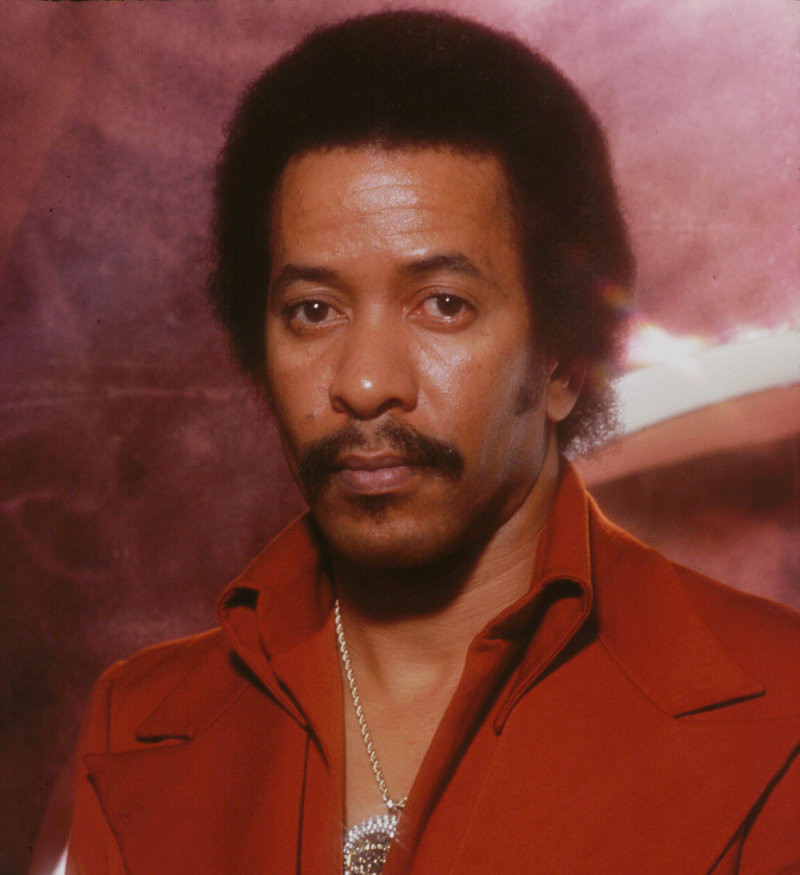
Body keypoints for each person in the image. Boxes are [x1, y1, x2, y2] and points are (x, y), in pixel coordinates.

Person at [66, 10, 800, 873]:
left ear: (564, 359)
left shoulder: (779, 715)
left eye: (443, 304)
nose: (364, 382)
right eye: (313, 310)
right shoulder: (138, 726)